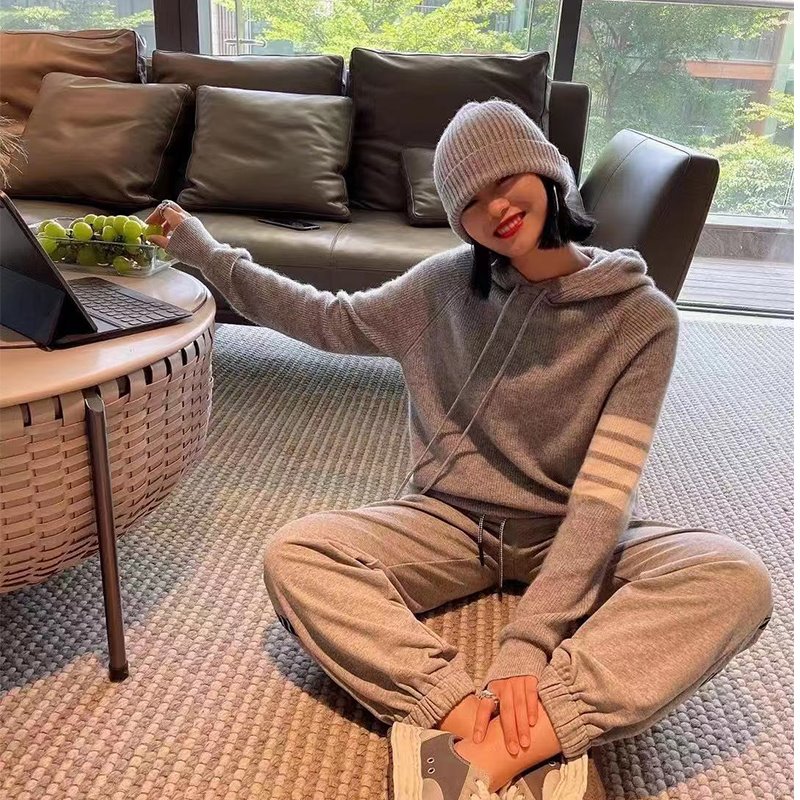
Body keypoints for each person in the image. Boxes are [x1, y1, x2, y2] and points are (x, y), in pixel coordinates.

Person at [146, 99, 773, 800]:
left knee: (734, 578)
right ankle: (467, 719)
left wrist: (528, 646)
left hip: (570, 529)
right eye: (469, 201)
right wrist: (207, 253)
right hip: (450, 521)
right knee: (296, 553)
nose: (494, 208)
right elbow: (326, 318)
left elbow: (604, 497)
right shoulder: (442, 287)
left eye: (506, 180)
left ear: (548, 171)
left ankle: (528, 733)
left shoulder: (641, 318)